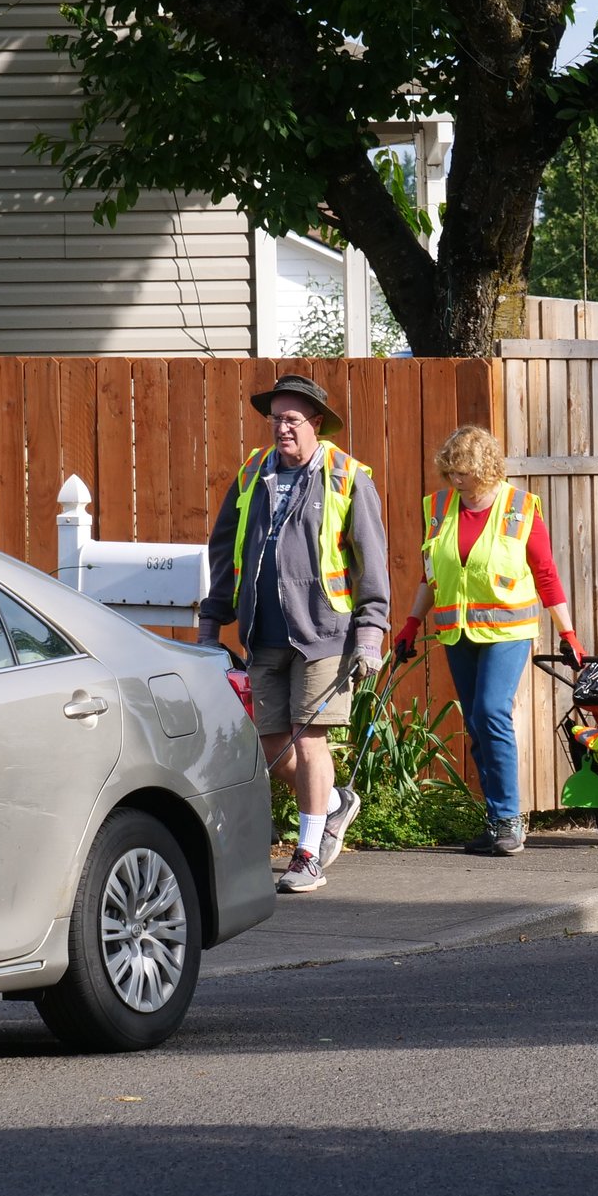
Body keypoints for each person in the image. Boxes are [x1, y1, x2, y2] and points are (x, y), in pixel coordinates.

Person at [199, 374, 390, 894]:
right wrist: (211, 623)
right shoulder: (253, 474)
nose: (281, 428)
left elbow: (371, 562)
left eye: (291, 419)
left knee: (309, 739)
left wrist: (370, 632)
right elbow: (223, 549)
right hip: (263, 632)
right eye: (275, 419)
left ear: (316, 424)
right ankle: (334, 803)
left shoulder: (347, 477)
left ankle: (307, 854)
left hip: (324, 631)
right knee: (270, 746)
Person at [391, 426, 585, 857]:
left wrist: (567, 632)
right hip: (458, 631)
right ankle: (496, 820)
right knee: (477, 723)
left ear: (486, 469)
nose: (455, 480)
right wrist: (410, 624)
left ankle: (510, 820)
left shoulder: (520, 508)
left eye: (463, 473)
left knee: (491, 712)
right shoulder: (439, 507)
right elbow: (430, 574)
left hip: (508, 630)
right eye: (450, 473)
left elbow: (545, 574)